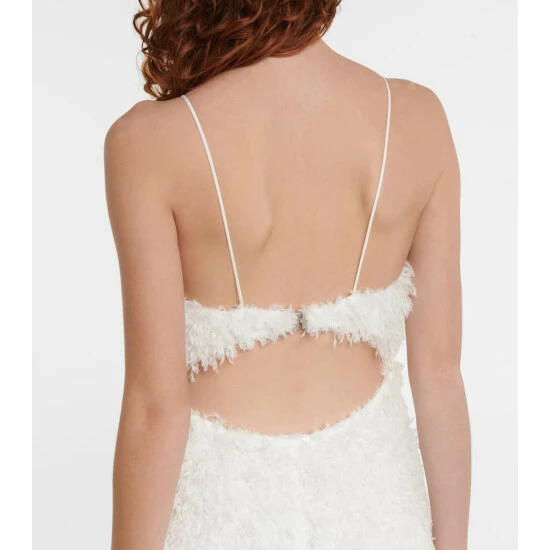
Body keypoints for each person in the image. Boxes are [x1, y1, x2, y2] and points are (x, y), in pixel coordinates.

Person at [105, 1, 470, 548]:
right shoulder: (418, 118)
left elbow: (156, 409)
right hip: (378, 509)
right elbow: (439, 375)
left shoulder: (148, 142)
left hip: (221, 514)